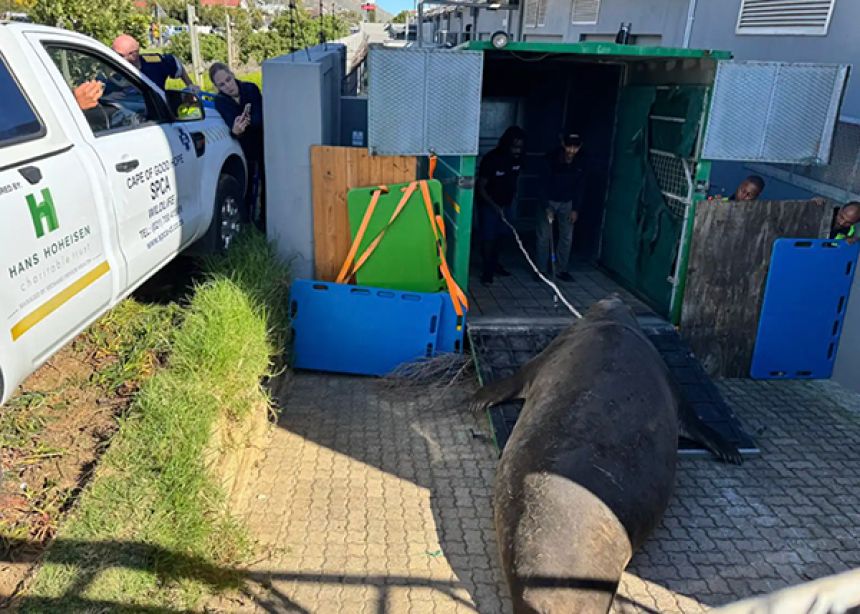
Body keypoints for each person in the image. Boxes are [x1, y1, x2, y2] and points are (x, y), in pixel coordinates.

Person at [210, 62, 265, 229]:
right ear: (216, 87)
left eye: (228, 80)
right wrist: (237, 130)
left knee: (267, 182)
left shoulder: (250, 88)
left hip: (262, 141)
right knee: (246, 183)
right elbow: (232, 126)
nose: (228, 86)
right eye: (222, 85)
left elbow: (259, 117)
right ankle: (246, 222)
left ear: (232, 75)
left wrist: (242, 125)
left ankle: (264, 219)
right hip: (243, 146)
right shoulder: (220, 101)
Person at [476, 126, 526, 285]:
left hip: (507, 204)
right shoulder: (492, 159)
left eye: (520, 147)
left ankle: (495, 263)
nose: (517, 150)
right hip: (488, 203)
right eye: (514, 147)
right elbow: (481, 186)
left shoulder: (518, 159)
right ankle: (487, 270)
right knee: (488, 237)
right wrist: (493, 205)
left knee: (502, 235)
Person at [536, 133, 587, 282]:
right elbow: (541, 185)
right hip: (548, 200)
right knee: (544, 236)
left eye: (575, 147)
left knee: (567, 237)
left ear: (580, 146)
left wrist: (576, 209)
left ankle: (560, 269)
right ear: (563, 144)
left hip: (567, 203)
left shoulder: (581, 162)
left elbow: (580, 187)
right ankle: (541, 270)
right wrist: (546, 207)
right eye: (569, 146)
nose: (572, 150)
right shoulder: (550, 159)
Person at [111, 34, 196, 92]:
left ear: (134, 54)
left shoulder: (153, 62)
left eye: (120, 55)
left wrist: (190, 86)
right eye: (113, 53)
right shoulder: (112, 69)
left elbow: (175, 63)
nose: (114, 57)